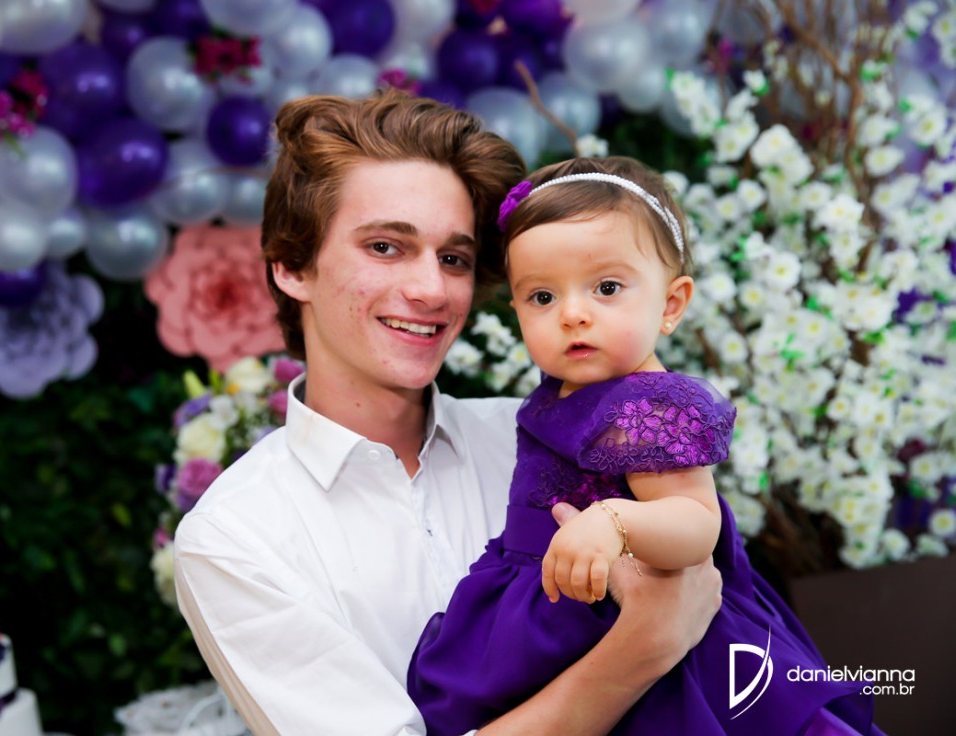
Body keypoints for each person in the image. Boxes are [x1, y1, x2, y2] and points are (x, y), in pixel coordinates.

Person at [173, 91, 723, 736]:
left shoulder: (557, 437)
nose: (432, 290)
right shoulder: (237, 537)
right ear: (294, 266)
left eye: (454, 259)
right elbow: (664, 624)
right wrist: (640, 652)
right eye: (385, 247)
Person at [406, 156, 881, 736]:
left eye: (607, 288)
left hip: (626, 618)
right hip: (546, 605)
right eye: (542, 297)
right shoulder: (561, 391)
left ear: (671, 305)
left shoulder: (648, 405)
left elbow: (697, 522)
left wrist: (615, 522)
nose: (573, 314)